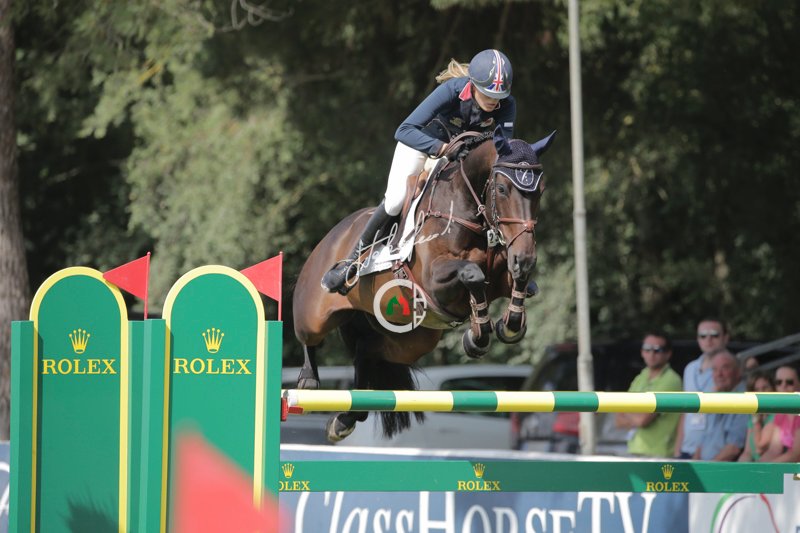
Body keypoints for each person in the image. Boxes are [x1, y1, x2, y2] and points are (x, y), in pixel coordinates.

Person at [321, 49, 517, 295]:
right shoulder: (452, 91)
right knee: (395, 201)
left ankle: (507, 265)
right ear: (474, 85)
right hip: (421, 144)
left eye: (499, 96)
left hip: (458, 157)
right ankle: (351, 262)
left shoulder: (506, 104)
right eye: (488, 94)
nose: (494, 102)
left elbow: (501, 149)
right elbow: (404, 130)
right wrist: (441, 148)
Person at [615, 332, 682, 457]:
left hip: (660, 453)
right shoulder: (640, 377)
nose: (651, 354)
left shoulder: (671, 380)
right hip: (634, 449)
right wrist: (635, 414)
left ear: (668, 353)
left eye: (657, 350)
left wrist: (629, 412)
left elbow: (642, 420)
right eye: (647, 349)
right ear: (642, 352)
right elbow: (618, 418)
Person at [674, 317, 730, 459]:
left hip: (716, 453)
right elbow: (684, 411)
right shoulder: (689, 368)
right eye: (703, 336)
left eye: (714, 335)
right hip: (686, 449)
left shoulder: (732, 370)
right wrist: (677, 449)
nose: (708, 340)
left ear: (726, 338)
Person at [694, 350, 748, 461]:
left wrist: (705, 469)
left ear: (738, 372)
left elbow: (733, 449)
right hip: (705, 466)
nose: (719, 374)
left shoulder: (746, 400)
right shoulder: (715, 395)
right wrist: (693, 466)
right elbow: (703, 441)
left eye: (725, 368)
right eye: (714, 369)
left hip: (722, 469)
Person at [759, 365, 800, 462]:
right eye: (779, 382)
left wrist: (766, 468)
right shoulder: (781, 413)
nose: (783, 386)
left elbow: (796, 454)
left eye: (789, 382)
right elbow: (774, 450)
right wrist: (757, 466)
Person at [736, 371, 775, 462]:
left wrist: (756, 421)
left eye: (765, 388)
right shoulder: (753, 415)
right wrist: (737, 467)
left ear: (773, 389)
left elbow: (759, 449)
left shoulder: (776, 415)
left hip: (770, 467)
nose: (761, 393)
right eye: (756, 389)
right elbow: (747, 452)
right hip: (755, 466)